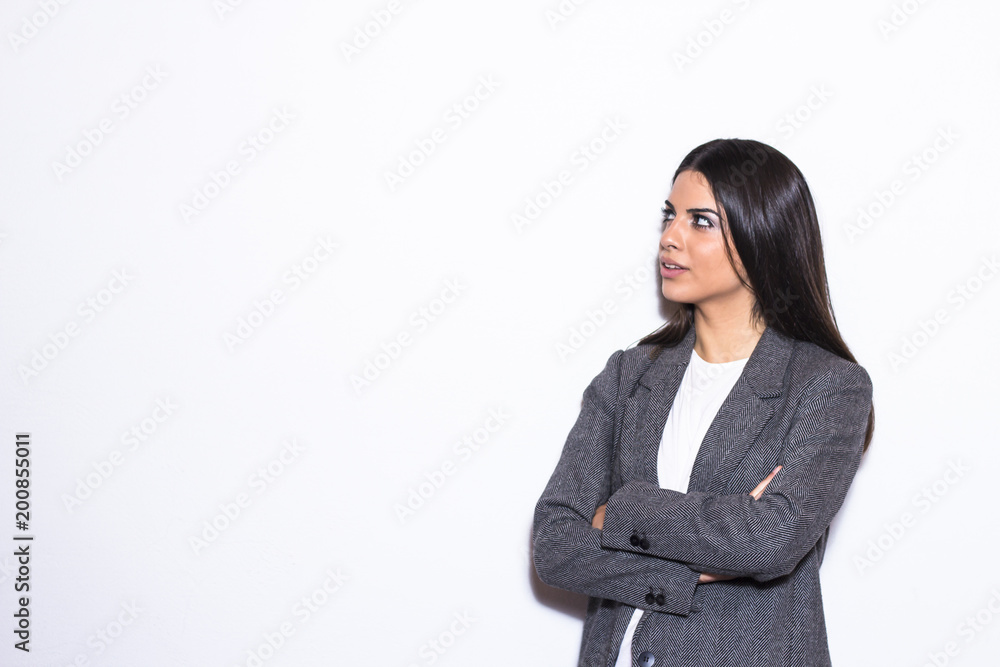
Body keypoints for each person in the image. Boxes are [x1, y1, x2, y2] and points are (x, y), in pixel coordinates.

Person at [531, 138, 875, 667]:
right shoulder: (629, 373)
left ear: (763, 236)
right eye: (670, 216)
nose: (670, 238)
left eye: (701, 221)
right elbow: (554, 543)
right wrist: (698, 561)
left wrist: (616, 511)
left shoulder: (828, 386)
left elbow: (769, 541)